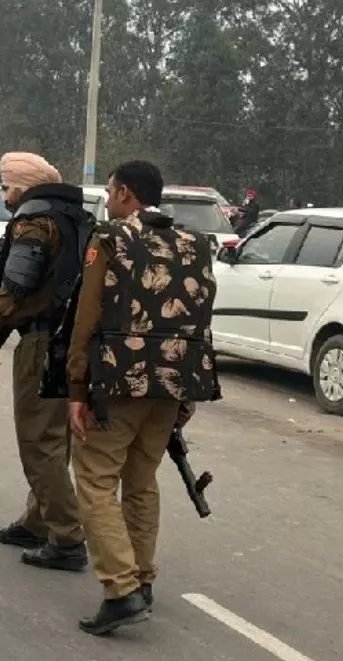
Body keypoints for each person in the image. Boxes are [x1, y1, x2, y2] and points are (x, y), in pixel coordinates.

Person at [64, 160, 221, 636]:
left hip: (119, 380)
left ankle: (121, 590)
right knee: (141, 479)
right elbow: (200, 316)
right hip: (174, 383)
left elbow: (86, 317)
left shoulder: (110, 239)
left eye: (111, 191)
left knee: (94, 478)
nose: (109, 200)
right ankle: (143, 579)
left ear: (127, 194)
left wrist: (75, 388)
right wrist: (190, 392)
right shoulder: (195, 243)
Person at [0, 152, 92, 572]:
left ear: (23, 185)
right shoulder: (76, 218)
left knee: (40, 444)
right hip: (74, 340)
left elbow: (17, 281)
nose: (5, 196)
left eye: (6, 187)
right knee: (55, 440)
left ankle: (66, 536)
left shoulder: (35, 221)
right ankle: (38, 521)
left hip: (43, 342)